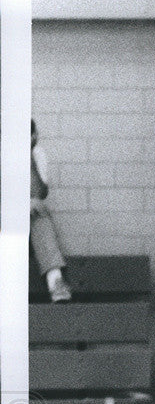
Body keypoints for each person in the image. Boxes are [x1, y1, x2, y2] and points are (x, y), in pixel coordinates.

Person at [30, 119, 72, 302]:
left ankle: (56, 282)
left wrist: (29, 157)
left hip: (27, 216)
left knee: (39, 211)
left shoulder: (37, 153)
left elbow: (41, 193)